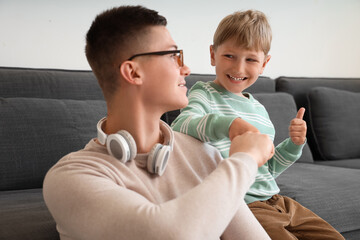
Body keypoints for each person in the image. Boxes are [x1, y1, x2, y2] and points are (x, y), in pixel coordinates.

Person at [42, 6, 276, 240]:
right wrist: (245, 159)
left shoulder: (204, 155)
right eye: (174, 56)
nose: (186, 68)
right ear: (133, 73)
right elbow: (170, 235)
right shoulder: (70, 177)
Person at [171, 10, 344, 239]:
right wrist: (229, 124)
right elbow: (181, 125)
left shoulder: (260, 111)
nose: (238, 68)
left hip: (278, 200)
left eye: (250, 59)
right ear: (213, 54)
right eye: (229, 56)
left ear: (264, 63)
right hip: (243, 207)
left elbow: (268, 169)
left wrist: (293, 145)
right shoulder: (203, 93)